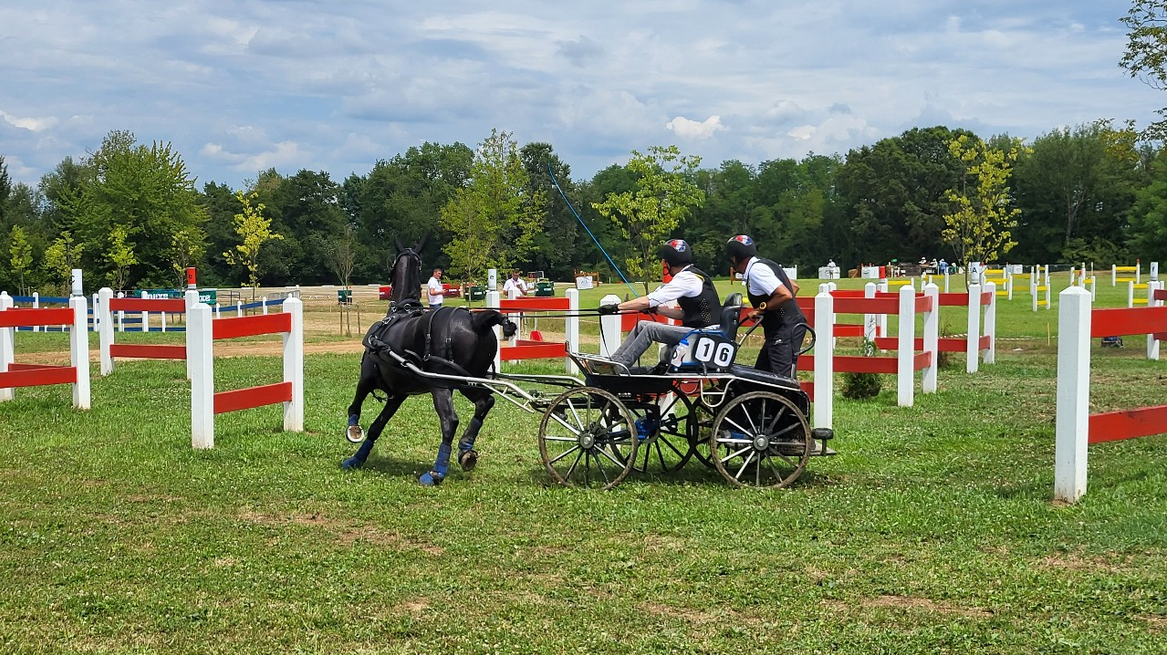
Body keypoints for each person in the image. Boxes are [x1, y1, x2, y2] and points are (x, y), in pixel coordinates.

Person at [597, 239, 721, 370]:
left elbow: (648, 300)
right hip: (701, 332)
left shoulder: (686, 278)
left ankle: (620, 367)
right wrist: (657, 310)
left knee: (651, 329)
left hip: (705, 335)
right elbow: (686, 315)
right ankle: (614, 361)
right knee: (642, 325)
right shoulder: (693, 275)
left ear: (667, 263)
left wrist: (617, 307)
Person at [726, 234, 806, 378]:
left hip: (784, 329)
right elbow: (793, 287)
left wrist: (760, 309)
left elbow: (785, 294)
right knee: (762, 374)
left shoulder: (756, 271)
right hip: (785, 327)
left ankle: (782, 400)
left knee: (779, 379)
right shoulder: (767, 264)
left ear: (735, 258)